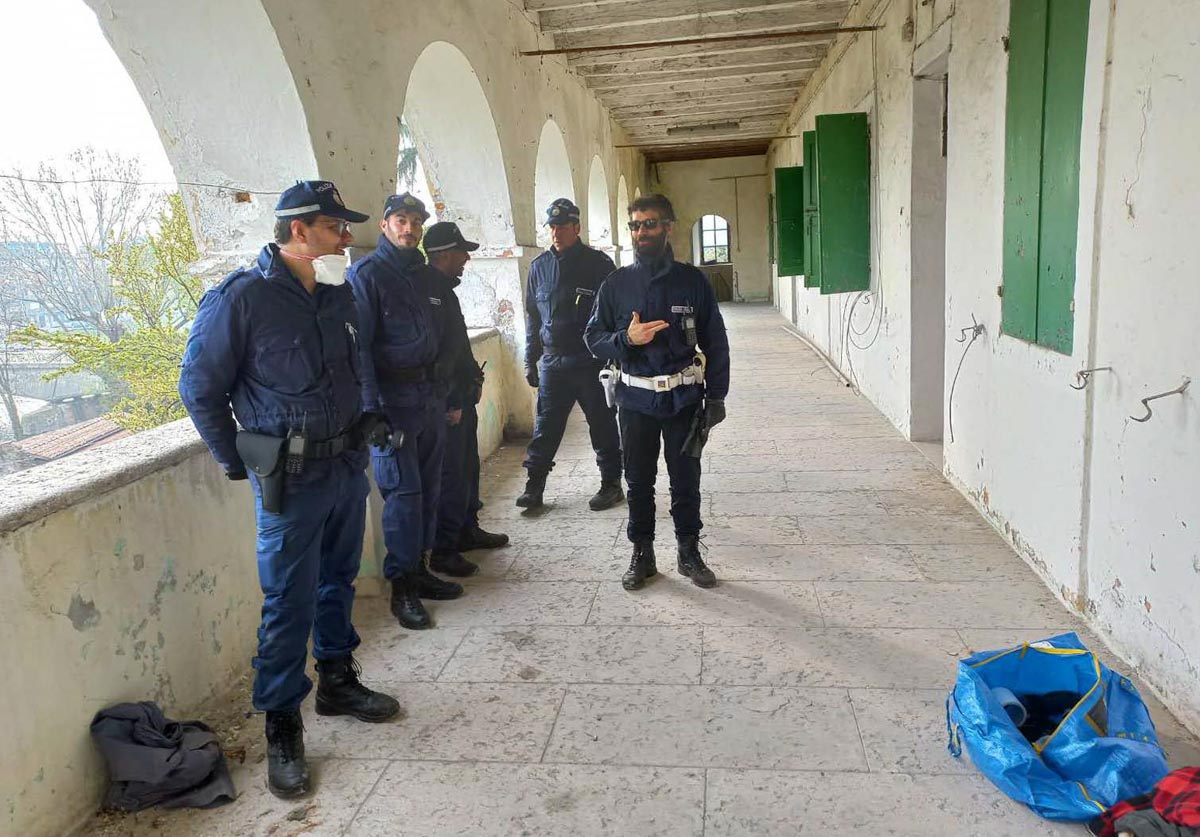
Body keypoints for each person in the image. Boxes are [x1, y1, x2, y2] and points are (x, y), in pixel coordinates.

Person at [179, 180, 400, 800]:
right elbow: (199, 388)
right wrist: (239, 462)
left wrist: (369, 416)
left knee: (340, 580)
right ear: (298, 232)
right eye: (335, 227)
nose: (346, 238)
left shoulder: (336, 294)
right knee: (286, 603)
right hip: (289, 477)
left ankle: (336, 680)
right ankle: (281, 723)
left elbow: (359, 368)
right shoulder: (241, 300)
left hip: (342, 467)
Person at [584, 193, 730, 591]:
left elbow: (715, 341)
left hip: (683, 398)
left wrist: (716, 396)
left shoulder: (692, 281)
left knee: (685, 479)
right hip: (635, 401)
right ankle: (642, 554)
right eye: (635, 225)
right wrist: (625, 339)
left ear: (668, 227)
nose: (641, 232)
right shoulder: (616, 284)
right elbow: (593, 338)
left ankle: (688, 552)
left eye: (650, 223)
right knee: (639, 480)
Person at [346, 192, 466, 632]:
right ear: (384, 225)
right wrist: (370, 410)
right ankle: (403, 588)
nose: (409, 228)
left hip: (431, 399)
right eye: (401, 220)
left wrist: (452, 395)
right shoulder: (367, 276)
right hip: (393, 406)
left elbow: (449, 340)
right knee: (403, 496)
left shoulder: (426, 276)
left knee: (430, 489)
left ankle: (420, 569)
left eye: (416, 222)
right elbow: (358, 350)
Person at [518, 198, 624, 511]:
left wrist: (615, 355)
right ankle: (534, 488)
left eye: (563, 226)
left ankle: (611, 485)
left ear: (576, 227)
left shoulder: (599, 265)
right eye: (552, 226)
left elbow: (616, 313)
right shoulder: (539, 268)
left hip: (590, 361)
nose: (556, 232)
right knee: (546, 428)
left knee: (602, 424)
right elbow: (533, 319)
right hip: (553, 362)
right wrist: (530, 358)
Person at [423, 220, 509, 565]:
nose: (466, 260)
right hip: (448, 401)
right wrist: (453, 400)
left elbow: (457, 346)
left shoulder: (444, 290)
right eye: (462, 253)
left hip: (461, 394)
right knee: (450, 474)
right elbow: (437, 354)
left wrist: (471, 379)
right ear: (444, 254)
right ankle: (445, 548)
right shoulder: (427, 293)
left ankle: (467, 529)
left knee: (467, 466)